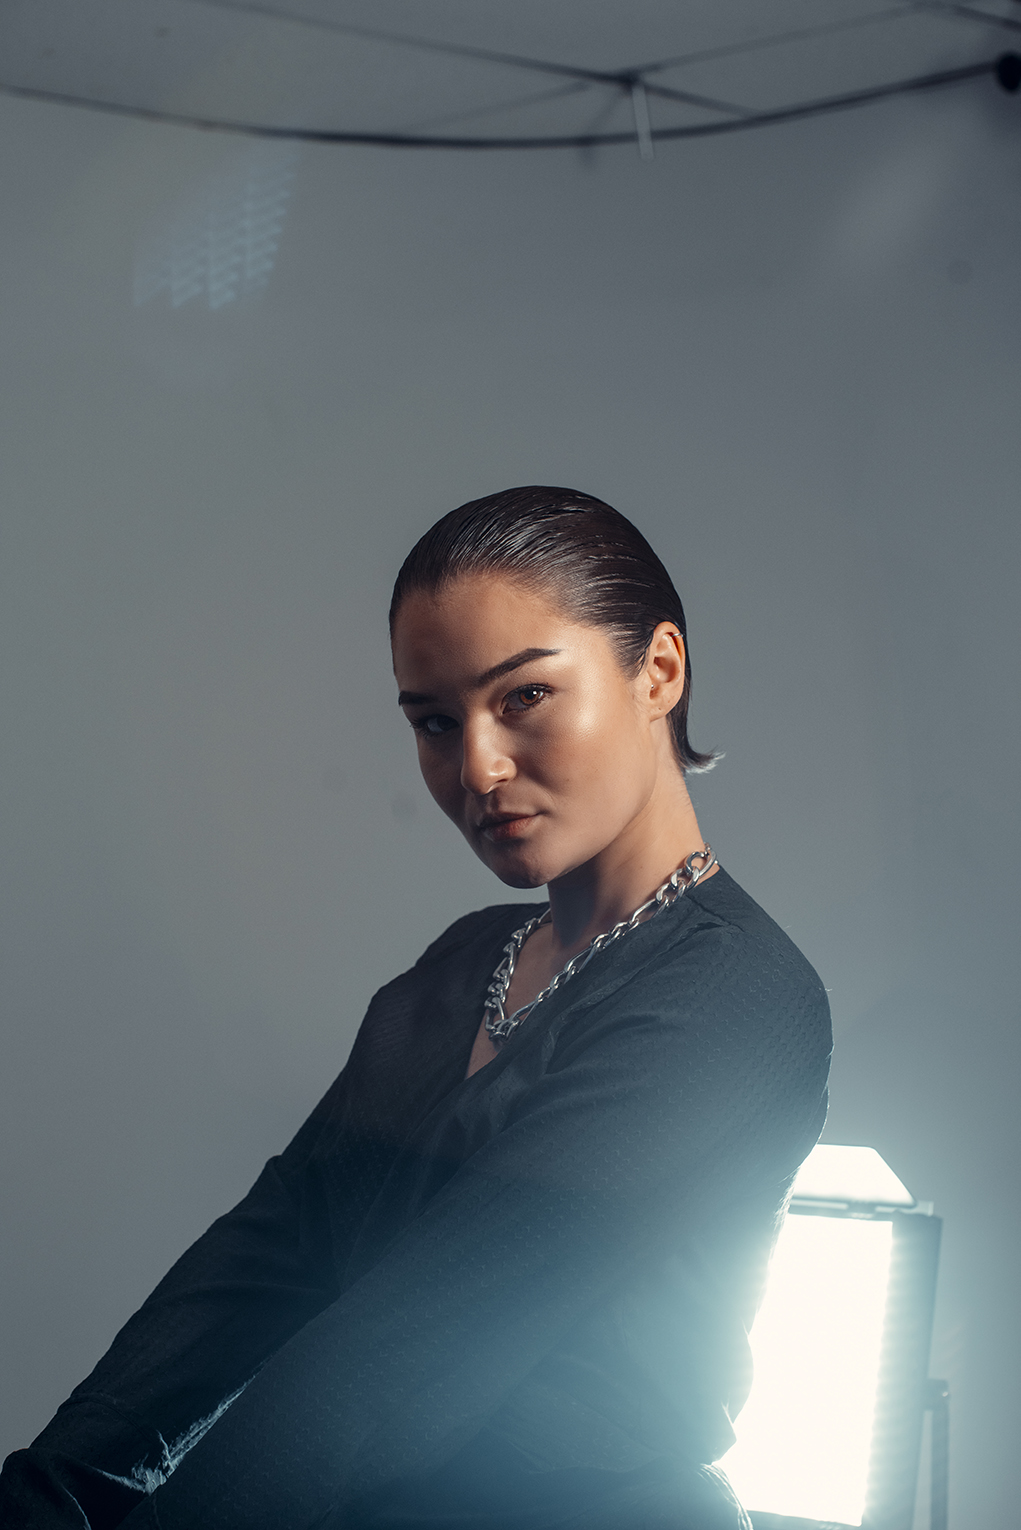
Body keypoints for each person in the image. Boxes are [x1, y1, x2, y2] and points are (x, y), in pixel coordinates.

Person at [0, 486, 831, 1530]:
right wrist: (47, 1494)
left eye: (522, 697)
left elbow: (400, 1364)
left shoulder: (735, 1002)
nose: (475, 767)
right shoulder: (460, 966)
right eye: (436, 721)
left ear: (657, 670)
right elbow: (271, 1248)